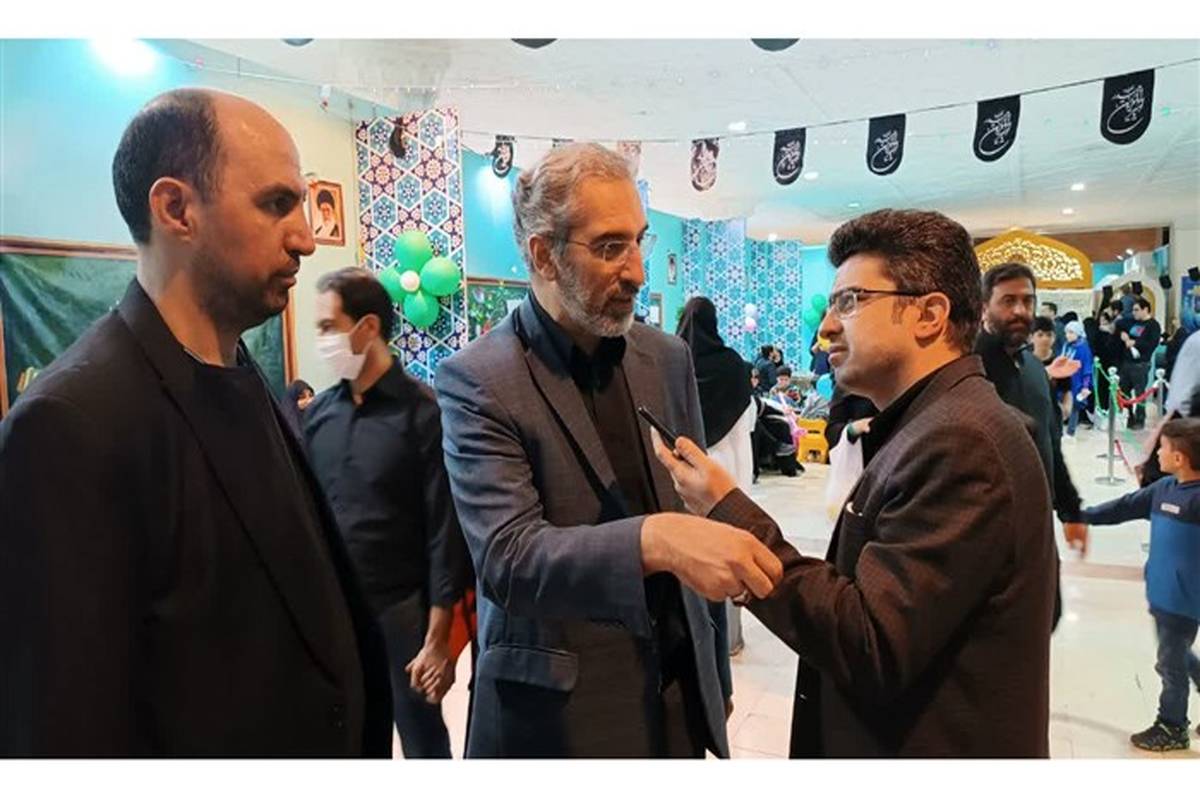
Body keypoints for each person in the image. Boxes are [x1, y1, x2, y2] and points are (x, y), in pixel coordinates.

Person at [0, 89, 392, 755]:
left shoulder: (239, 369)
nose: (305, 237)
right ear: (176, 209)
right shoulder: (71, 425)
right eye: (276, 204)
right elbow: (63, 729)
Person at [651, 208, 1057, 757]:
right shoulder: (937, 422)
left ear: (929, 314)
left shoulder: (960, 442)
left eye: (850, 301)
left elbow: (869, 641)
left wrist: (730, 511)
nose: (826, 327)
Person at [434, 143, 782, 758]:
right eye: (610, 247)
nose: (638, 272)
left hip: (678, 695)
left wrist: (713, 680)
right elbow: (510, 559)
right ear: (543, 254)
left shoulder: (665, 358)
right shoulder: (479, 378)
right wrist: (656, 540)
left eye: (639, 241)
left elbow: (693, 507)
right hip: (560, 716)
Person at [304, 267, 473, 758]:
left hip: (402, 611)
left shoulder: (424, 413)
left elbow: (444, 531)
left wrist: (438, 638)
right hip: (336, 610)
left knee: (422, 739)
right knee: (350, 734)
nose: (322, 340)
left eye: (329, 326)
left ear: (368, 327)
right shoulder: (319, 418)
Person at [1081, 417, 1200, 751]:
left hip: (1185, 600)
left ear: (1179, 458)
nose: (1156, 453)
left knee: (1170, 663)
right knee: (1176, 652)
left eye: (1162, 447)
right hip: (1162, 594)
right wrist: (1082, 514)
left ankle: (1172, 726)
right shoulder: (1163, 489)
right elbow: (1123, 507)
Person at [976, 262, 1089, 576]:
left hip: (1036, 524)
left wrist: (1070, 509)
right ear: (984, 308)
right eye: (1008, 301)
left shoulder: (1035, 369)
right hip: (982, 532)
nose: (1020, 310)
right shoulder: (967, 366)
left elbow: (1050, 442)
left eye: (1027, 301)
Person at [676, 296, 756, 657]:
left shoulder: (672, 362)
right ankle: (729, 638)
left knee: (686, 550)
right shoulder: (733, 365)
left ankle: (691, 638)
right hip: (727, 467)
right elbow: (748, 422)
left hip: (684, 468)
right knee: (725, 548)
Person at [1119, 297, 1162, 431]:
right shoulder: (1134, 323)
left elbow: (1152, 343)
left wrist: (1135, 343)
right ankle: (1128, 415)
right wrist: (1124, 335)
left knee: (1140, 393)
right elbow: (1121, 324)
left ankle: (1140, 418)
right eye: (1133, 310)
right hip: (1127, 362)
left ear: (1145, 309)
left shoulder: (1153, 325)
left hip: (1141, 363)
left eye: (1137, 310)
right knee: (1124, 390)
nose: (1134, 313)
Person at [1062, 320, 1094, 436]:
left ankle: (1071, 432)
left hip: (1077, 381)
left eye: (1071, 332)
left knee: (1075, 406)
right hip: (1065, 378)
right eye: (1067, 332)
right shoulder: (1066, 346)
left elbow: (1087, 368)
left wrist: (1085, 386)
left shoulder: (1083, 348)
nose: (1068, 335)